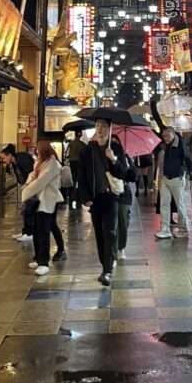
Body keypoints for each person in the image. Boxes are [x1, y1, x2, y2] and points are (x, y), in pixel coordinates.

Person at [77, 120, 125, 286]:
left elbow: (123, 172)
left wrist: (113, 160)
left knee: (110, 232)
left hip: (111, 196)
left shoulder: (116, 148)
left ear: (109, 129)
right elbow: (81, 176)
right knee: (99, 233)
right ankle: (105, 262)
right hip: (95, 198)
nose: (100, 129)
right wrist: (85, 197)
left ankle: (107, 271)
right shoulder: (87, 151)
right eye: (98, 126)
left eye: (104, 126)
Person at [20, 139, 66, 275]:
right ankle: (40, 257)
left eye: (38, 149)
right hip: (38, 200)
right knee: (40, 228)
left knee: (44, 230)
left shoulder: (52, 164)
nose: (36, 151)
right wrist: (28, 184)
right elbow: (33, 175)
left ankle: (44, 261)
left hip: (48, 200)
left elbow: (41, 181)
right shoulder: (41, 162)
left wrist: (26, 192)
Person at [154, 126, 192, 239]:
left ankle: (183, 228)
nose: (165, 138)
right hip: (165, 177)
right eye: (163, 136)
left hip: (177, 178)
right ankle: (165, 229)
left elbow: (188, 160)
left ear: (173, 134)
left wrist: (190, 176)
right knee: (164, 204)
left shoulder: (181, 145)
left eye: (167, 136)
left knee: (180, 204)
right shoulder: (164, 145)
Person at [1, 144, 36, 243]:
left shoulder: (22, 159)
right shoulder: (14, 162)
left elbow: (31, 173)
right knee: (25, 210)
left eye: (4, 158)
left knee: (29, 210)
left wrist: (28, 185)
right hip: (26, 187)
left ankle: (30, 233)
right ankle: (25, 232)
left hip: (32, 187)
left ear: (9, 155)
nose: (4, 160)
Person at [110, 134, 137, 259]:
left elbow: (132, 177)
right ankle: (113, 249)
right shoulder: (104, 157)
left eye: (116, 143)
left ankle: (121, 247)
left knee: (123, 222)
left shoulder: (125, 157)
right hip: (109, 193)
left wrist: (130, 169)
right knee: (111, 223)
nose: (114, 145)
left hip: (124, 193)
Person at [66, 129, 87, 209]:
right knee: (79, 183)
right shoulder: (83, 144)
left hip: (72, 164)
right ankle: (79, 202)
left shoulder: (70, 143)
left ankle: (71, 202)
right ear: (80, 135)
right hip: (79, 164)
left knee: (72, 183)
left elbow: (67, 154)